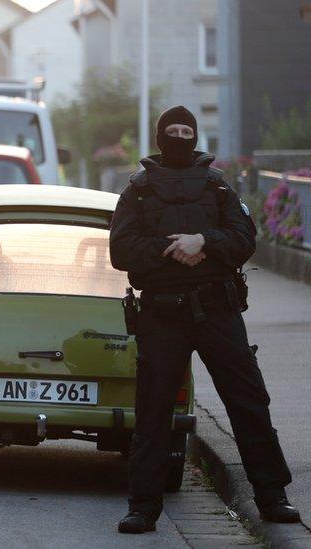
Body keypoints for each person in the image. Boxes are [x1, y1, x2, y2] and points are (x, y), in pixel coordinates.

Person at [110, 106, 300, 534]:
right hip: (162, 314)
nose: (180, 136)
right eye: (172, 131)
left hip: (218, 310)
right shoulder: (137, 192)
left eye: (186, 130)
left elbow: (244, 237)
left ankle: (273, 497)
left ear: (195, 137)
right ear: (160, 138)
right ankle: (143, 507)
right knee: (154, 411)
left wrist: (204, 242)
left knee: (250, 403)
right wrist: (170, 248)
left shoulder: (217, 186)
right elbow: (121, 251)